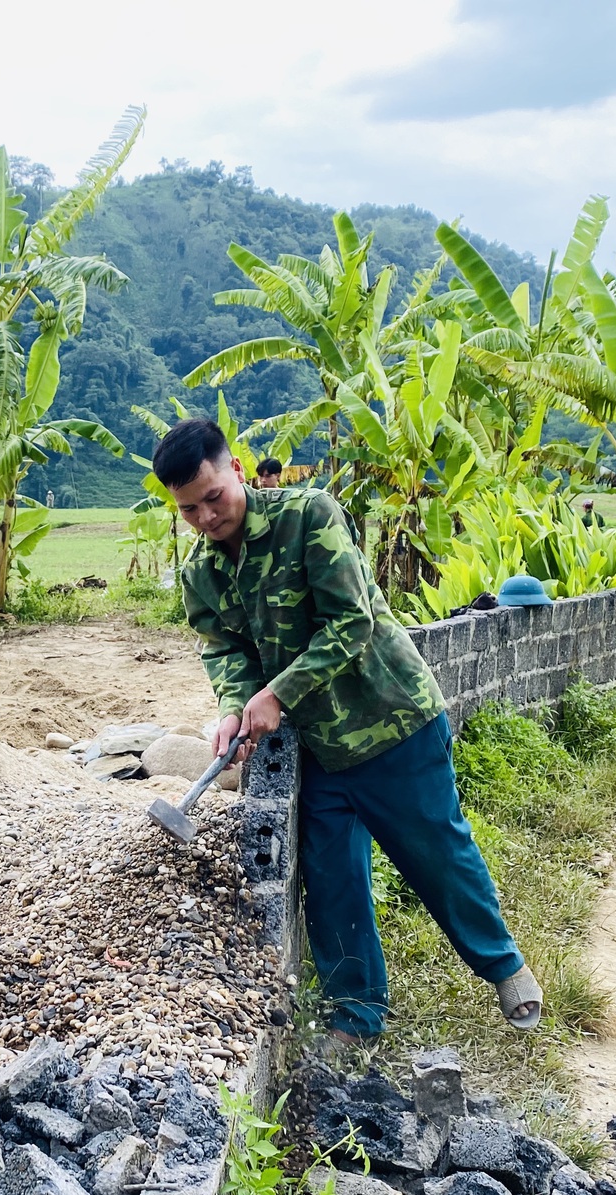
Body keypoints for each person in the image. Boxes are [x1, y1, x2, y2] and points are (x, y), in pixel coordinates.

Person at [153, 418, 544, 1046]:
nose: (203, 516)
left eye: (212, 497)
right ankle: (355, 1015)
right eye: (188, 509)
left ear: (235, 470)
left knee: (436, 853)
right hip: (321, 746)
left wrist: (277, 693)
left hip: (390, 717)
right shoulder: (201, 574)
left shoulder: (310, 517)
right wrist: (234, 705)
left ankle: (504, 967)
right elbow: (225, 650)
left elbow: (350, 623)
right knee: (333, 877)